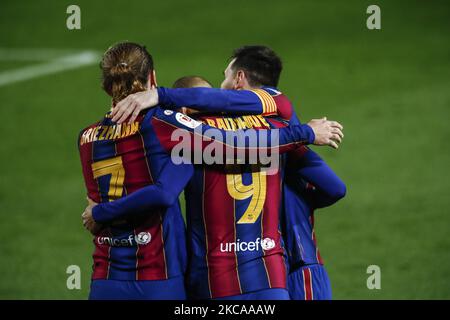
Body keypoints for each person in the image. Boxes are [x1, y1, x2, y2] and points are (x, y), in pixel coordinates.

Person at [80, 43, 341, 300]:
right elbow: (334, 187)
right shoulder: (268, 127)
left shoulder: (87, 137)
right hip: (257, 274)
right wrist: (304, 135)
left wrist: (100, 212)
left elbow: (150, 192)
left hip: (121, 275)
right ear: (152, 77)